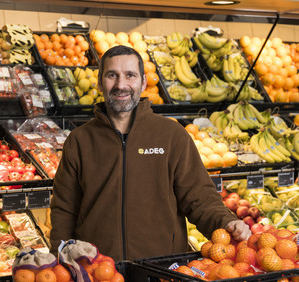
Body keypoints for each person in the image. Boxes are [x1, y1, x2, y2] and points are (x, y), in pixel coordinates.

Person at [50, 45, 251, 261]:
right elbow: (64, 211)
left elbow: (199, 197)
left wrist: (226, 222)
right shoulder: (79, 141)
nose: (121, 84)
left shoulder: (172, 135)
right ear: (99, 82)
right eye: (111, 75)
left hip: (163, 269)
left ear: (143, 82)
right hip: (98, 272)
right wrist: (61, 260)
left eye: (130, 75)